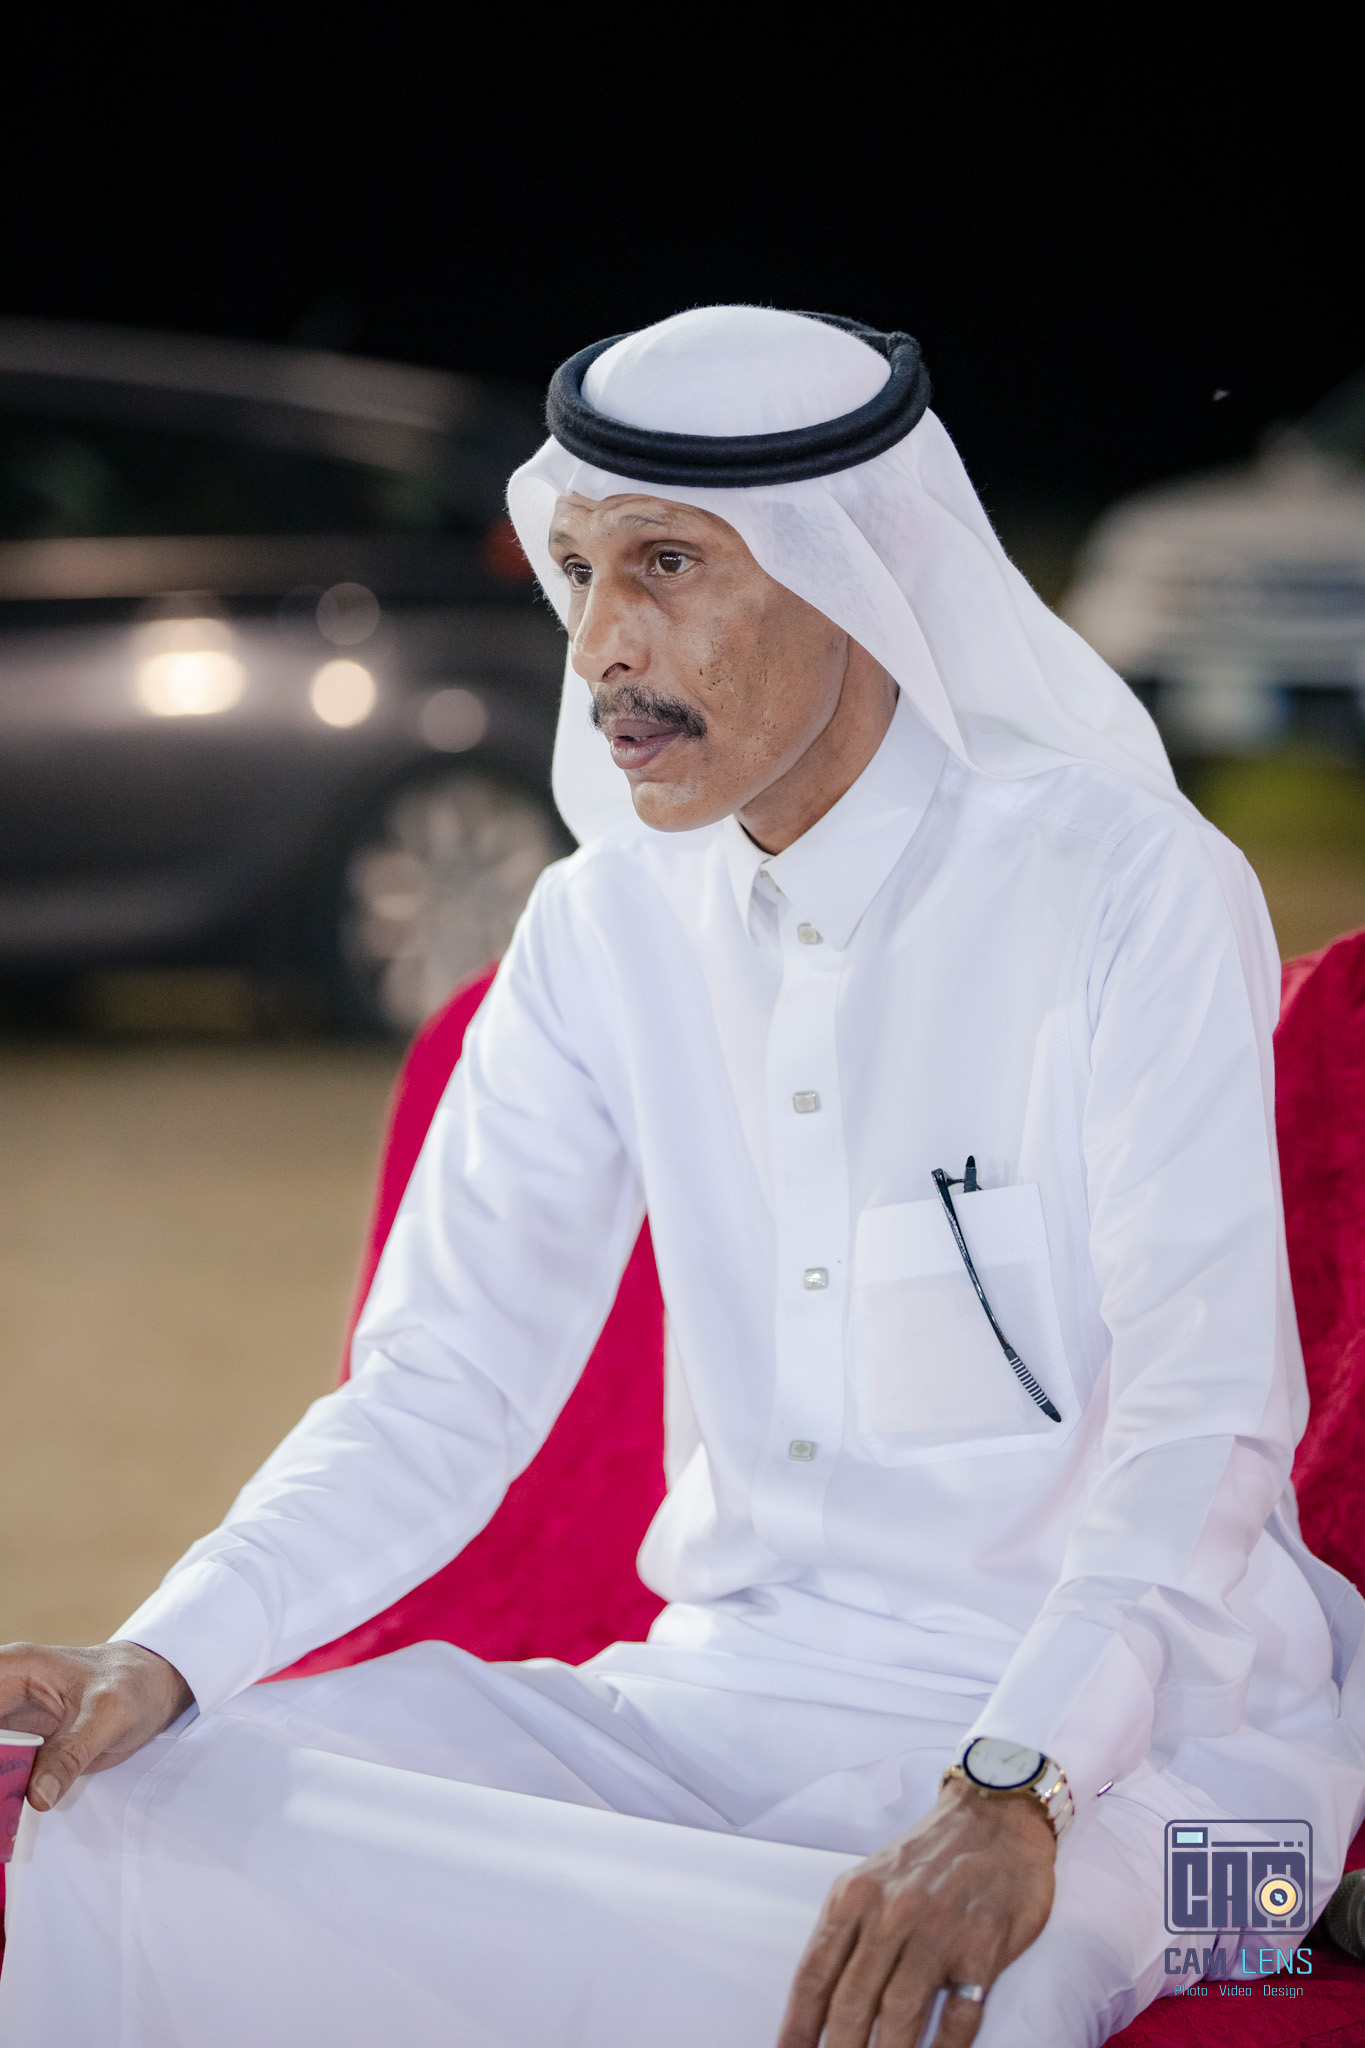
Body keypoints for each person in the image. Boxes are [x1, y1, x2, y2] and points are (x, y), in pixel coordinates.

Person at [2, 306, 1363, 2048]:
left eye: (666, 567)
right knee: (130, 1816)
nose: (600, 647)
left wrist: (1012, 1785)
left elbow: (1203, 1419)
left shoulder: (1123, 886)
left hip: (1165, 1741)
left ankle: (1278, 1910)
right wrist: (165, 1651)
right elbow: (437, 1389)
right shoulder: (599, 926)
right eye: (577, 571)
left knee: (984, 1994)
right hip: (724, 1700)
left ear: (853, 572)